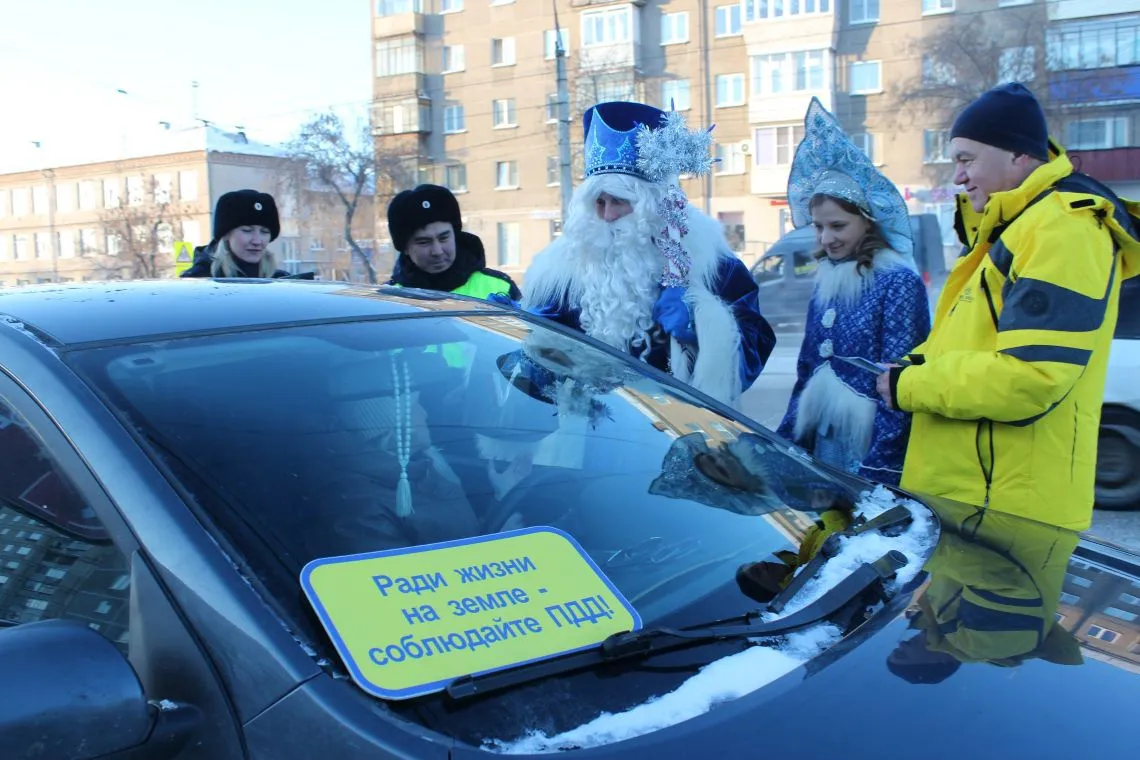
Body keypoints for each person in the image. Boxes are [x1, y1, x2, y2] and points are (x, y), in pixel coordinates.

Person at [875, 83, 1140, 530]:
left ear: (1018, 155)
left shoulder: (1062, 229)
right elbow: (974, 342)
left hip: (1006, 510)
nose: (957, 176)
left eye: (966, 159)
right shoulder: (1010, 226)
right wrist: (914, 365)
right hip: (975, 499)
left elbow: (1031, 378)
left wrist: (910, 385)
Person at [516, 101, 776, 409]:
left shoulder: (711, 263)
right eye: (599, 203)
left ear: (652, 204)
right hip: (594, 433)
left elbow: (753, 348)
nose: (609, 215)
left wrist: (701, 323)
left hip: (680, 429)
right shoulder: (562, 271)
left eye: (620, 201)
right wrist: (524, 334)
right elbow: (538, 386)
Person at [775, 98, 931, 485]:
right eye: (818, 227)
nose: (826, 238)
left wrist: (881, 471)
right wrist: (787, 441)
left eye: (838, 226)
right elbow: (807, 370)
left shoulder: (897, 282)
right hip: (823, 440)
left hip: (869, 448)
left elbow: (900, 383)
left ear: (867, 222)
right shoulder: (828, 279)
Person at [386, 183, 521, 300]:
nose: (437, 251)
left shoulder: (500, 289)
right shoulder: (388, 301)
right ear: (405, 248)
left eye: (444, 238)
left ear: (455, 235)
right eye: (424, 242)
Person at [181, 189, 291, 278]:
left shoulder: (282, 282)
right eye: (247, 230)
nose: (257, 241)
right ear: (226, 235)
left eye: (264, 232)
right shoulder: (198, 283)